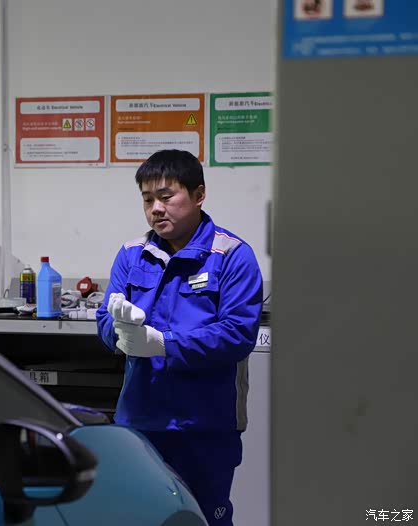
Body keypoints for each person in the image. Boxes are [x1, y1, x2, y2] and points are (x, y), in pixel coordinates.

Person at [96, 149, 263, 526]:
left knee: (202, 518)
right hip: (140, 422)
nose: (156, 208)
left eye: (166, 196)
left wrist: (163, 344)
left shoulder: (231, 255)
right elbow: (105, 316)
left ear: (199, 194)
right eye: (147, 199)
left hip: (203, 425)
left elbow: (237, 333)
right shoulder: (132, 254)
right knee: (140, 518)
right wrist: (119, 334)